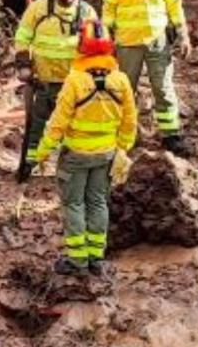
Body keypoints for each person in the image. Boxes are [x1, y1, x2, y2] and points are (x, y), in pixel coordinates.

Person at [29, 20, 138, 276]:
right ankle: (96, 258)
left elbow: (58, 122)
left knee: (74, 204)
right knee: (99, 202)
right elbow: (130, 119)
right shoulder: (121, 80)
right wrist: (123, 148)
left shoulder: (75, 81)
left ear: (81, 47)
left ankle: (77, 261)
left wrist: (42, 152)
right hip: (106, 154)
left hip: (76, 156)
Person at [101, 0, 191, 155]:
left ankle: (171, 135)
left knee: (163, 88)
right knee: (124, 89)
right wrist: (105, 35)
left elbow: (174, 4)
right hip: (128, 42)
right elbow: (109, 6)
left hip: (157, 40)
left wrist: (183, 34)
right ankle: (121, 134)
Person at [13, 0, 101, 183]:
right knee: (35, 128)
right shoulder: (38, 9)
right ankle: (28, 167)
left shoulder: (87, 13)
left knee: (73, 130)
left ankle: (69, 171)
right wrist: (24, 64)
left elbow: (98, 46)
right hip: (42, 82)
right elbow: (23, 37)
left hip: (73, 85)